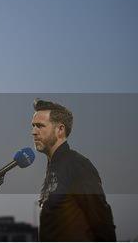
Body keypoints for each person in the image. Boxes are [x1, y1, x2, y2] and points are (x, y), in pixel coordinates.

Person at [31, 99, 116, 241]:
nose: (33, 132)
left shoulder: (78, 166)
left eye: (40, 126)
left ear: (60, 130)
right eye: (33, 126)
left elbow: (102, 223)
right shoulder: (53, 167)